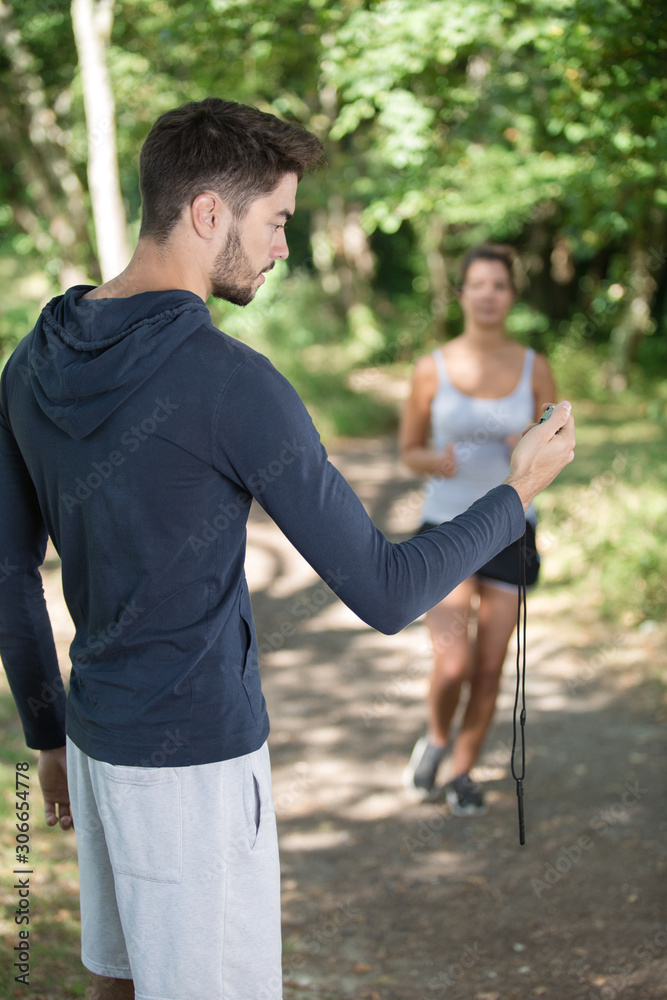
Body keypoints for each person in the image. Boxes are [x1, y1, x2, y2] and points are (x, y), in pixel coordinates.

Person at [0, 101, 574, 1000]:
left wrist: (48, 738)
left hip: (97, 743)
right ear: (207, 213)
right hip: (196, 772)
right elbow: (387, 593)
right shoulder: (233, 382)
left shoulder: (30, 362)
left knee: (121, 986)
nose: (281, 249)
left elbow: (8, 575)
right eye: (275, 223)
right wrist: (518, 493)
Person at [401, 243, 559, 815]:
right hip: (447, 525)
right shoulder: (432, 367)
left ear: (510, 296)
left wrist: (532, 443)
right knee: (454, 663)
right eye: (479, 284)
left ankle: (463, 771)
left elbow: (559, 442)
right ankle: (438, 738)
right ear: (462, 293)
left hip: (512, 526)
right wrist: (432, 461)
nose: (489, 294)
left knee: (491, 668)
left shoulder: (533, 365)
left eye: (499, 285)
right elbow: (407, 452)